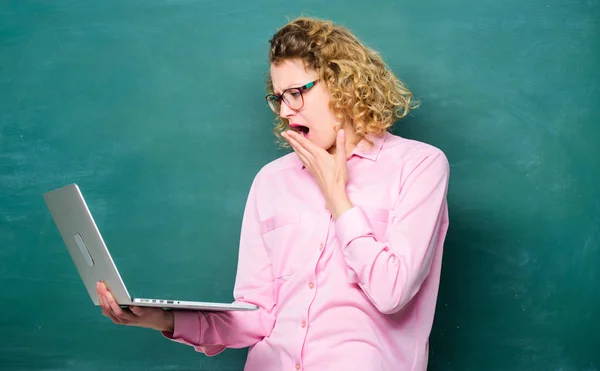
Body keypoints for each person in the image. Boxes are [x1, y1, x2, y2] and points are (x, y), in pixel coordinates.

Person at [97, 16, 450, 371]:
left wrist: (336, 196)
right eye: (279, 98)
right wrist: (162, 319)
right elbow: (257, 316)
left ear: (342, 83)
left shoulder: (419, 166)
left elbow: (392, 292)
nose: (285, 111)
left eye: (296, 93)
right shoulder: (271, 180)